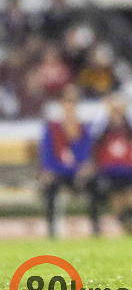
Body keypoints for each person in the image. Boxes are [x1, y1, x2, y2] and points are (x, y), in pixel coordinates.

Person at [39, 84, 99, 237]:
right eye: (67, 102)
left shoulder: (83, 128)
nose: (70, 106)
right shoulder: (52, 128)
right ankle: (51, 229)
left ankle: (95, 228)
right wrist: (59, 170)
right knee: (50, 185)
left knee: (94, 184)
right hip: (59, 172)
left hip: (77, 174)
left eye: (73, 102)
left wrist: (82, 169)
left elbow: (85, 154)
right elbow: (47, 156)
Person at [90, 94, 132, 235]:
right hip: (109, 169)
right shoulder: (103, 127)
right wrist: (106, 113)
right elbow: (94, 134)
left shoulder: (128, 125)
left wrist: (127, 113)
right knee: (116, 198)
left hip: (128, 168)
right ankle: (125, 226)